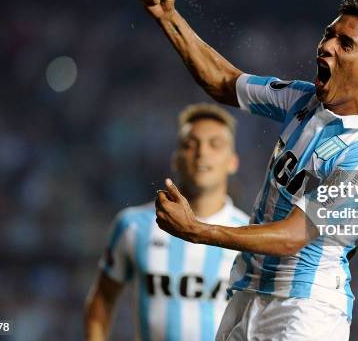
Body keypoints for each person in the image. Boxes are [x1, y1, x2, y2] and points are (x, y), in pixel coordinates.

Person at [140, 0, 358, 340]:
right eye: (328, 34)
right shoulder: (304, 100)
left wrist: (199, 231)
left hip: (304, 309)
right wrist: (169, 18)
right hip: (250, 291)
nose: (326, 46)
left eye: (344, 43)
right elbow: (224, 82)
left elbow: (294, 235)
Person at [84, 103, 249, 341]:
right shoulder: (133, 226)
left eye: (215, 144)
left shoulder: (247, 235)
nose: (202, 152)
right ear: (176, 159)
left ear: (233, 161)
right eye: (190, 144)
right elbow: (102, 300)